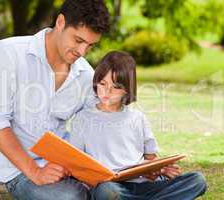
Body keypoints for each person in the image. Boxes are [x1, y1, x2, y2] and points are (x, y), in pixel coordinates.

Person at [0, 0, 110, 199]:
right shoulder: (8, 53)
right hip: (22, 172)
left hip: (68, 168)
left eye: (90, 46)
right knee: (71, 197)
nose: (82, 52)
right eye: (78, 40)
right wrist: (36, 172)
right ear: (60, 22)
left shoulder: (85, 74)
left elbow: (97, 127)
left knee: (115, 189)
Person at [69, 51, 207, 200]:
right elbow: (77, 165)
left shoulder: (137, 118)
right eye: (102, 83)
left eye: (115, 87)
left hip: (142, 185)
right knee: (107, 192)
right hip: (112, 188)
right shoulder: (82, 119)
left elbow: (150, 159)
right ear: (96, 81)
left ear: (127, 90)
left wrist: (159, 170)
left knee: (197, 180)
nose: (106, 91)